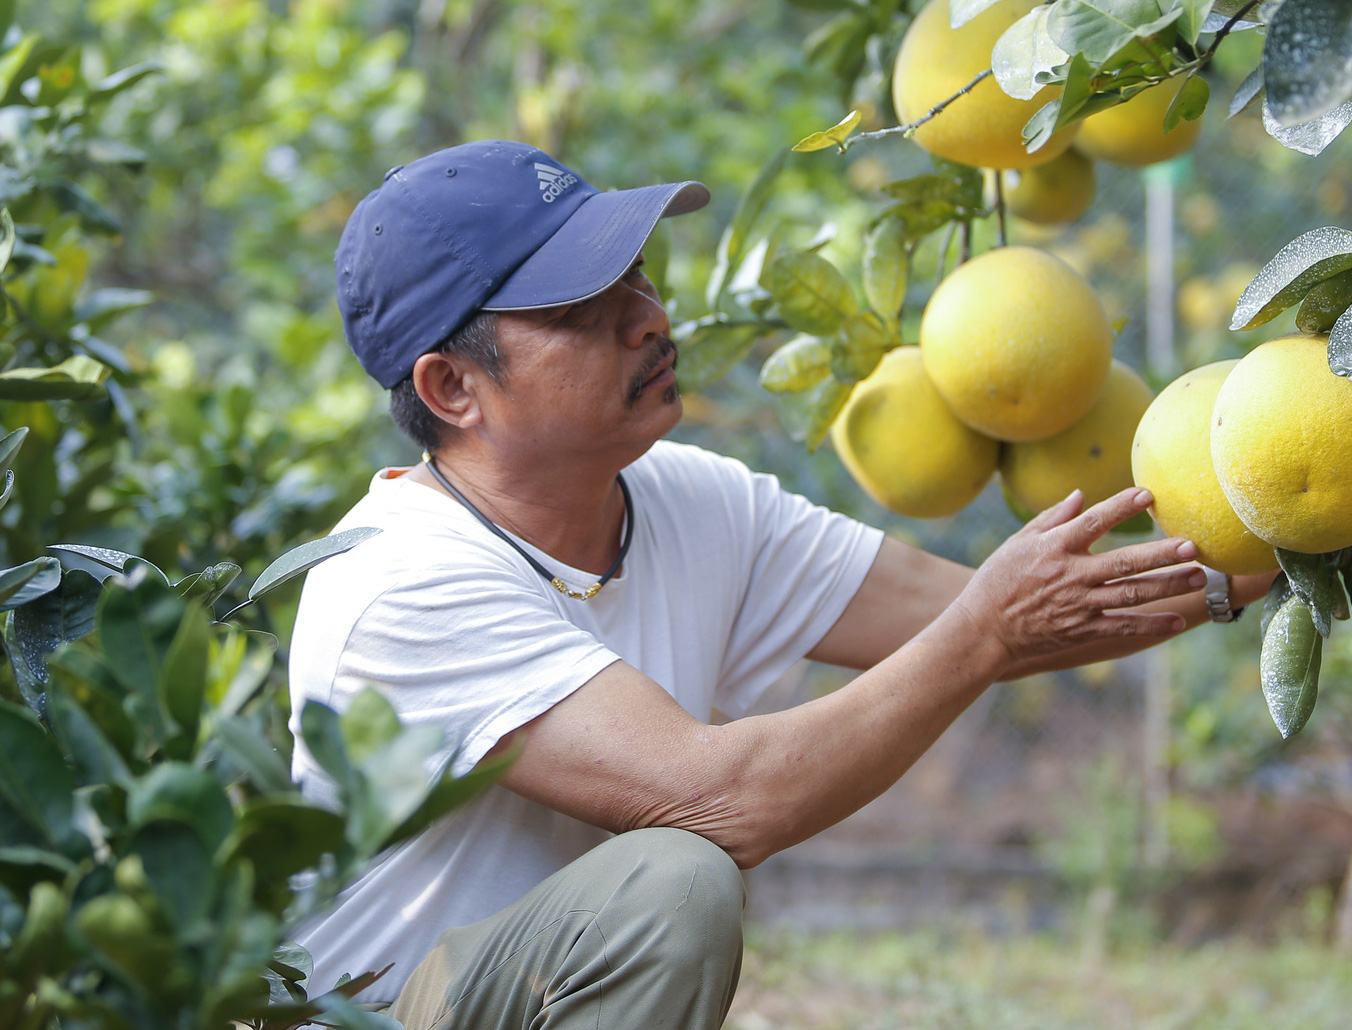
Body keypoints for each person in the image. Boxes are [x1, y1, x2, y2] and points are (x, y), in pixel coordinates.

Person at [287, 139, 1276, 1028]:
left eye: (636, 277)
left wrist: (1275, 549)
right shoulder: (400, 579)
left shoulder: (689, 500)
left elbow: (1000, 614)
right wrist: (983, 635)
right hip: (387, 1014)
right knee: (675, 882)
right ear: (450, 388)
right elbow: (723, 801)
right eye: (584, 310)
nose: (648, 319)